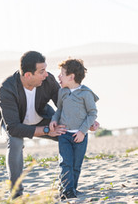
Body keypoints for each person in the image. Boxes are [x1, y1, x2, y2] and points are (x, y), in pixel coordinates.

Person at [0, 51, 98, 199]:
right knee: (15, 142)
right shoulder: (7, 88)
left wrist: (86, 122)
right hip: (13, 124)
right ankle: (16, 195)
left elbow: (66, 105)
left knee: (68, 134)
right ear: (28, 75)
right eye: (42, 71)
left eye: (45, 69)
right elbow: (13, 128)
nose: (46, 74)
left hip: (41, 117)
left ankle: (67, 188)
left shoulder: (48, 80)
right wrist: (46, 130)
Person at [50, 58, 98, 200]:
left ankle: (72, 189)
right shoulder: (62, 92)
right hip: (64, 135)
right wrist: (54, 119)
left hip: (80, 136)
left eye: (62, 74)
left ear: (71, 77)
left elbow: (92, 113)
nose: (59, 76)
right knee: (65, 163)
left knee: (76, 165)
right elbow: (59, 110)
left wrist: (83, 131)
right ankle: (67, 191)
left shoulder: (86, 94)